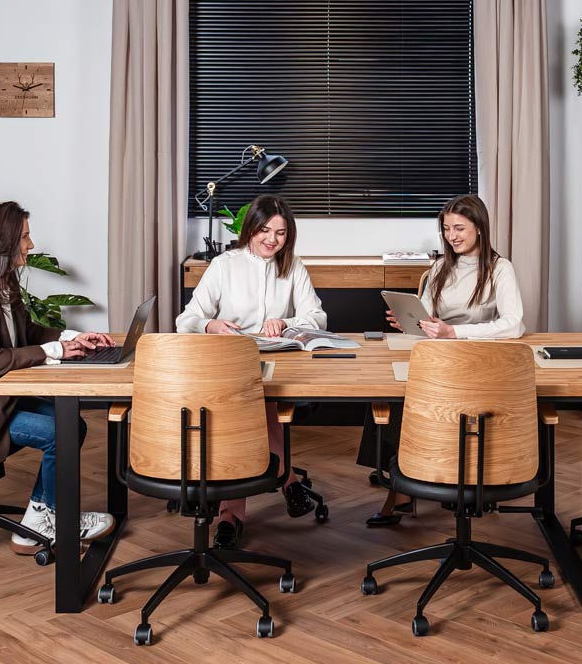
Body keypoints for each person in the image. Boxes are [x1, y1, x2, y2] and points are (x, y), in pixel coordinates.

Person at [0, 201, 116, 554]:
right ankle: (52, 521)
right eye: (25, 237)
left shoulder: (1, 282)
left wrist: (72, 337)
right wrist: (55, 351)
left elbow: (28, 330)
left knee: (71, 424)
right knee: (60, 432)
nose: (31, 244)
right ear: (5, 242)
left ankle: (40, 519)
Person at [360, 193, 526, 526]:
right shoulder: (439, 267)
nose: (452, 236)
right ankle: (399, 477)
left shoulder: (500, 269)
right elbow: (428, 315)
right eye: (447, 229)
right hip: (438, 356)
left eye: (459, 228)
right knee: (391, 391)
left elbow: (514, 324)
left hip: (477, 361)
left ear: (479, 228)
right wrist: (412, 321)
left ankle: (409, 485)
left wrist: (454, 332)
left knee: (418, 396)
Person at [176, 194, 327, 549]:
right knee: (251, 410)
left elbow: (318, 317)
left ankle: (231, 516)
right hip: (230, 362)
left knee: (261, 405)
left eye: (281, 233)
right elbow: (187, 319)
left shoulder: (293, 266)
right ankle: (286, 480)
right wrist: (211, 325)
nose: (272, 240)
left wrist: (285, 322)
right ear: (250, 229)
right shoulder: (224, 265)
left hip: (277, 361)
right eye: (265, 230)